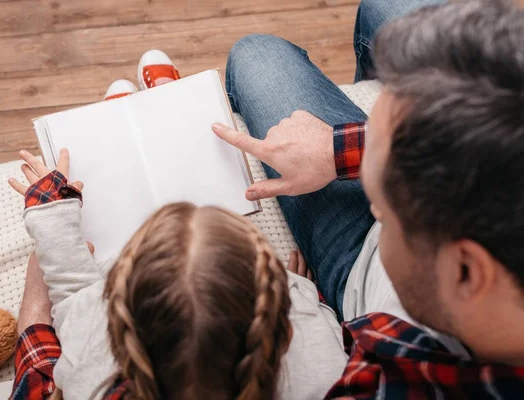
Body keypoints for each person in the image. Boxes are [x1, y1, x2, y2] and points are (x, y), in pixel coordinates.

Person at [212, 0, 524, 397]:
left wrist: (301, 303)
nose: (376, 208)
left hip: (362, 271)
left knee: (257, 54)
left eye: (387, 208)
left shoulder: (382, 386)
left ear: (464, 270)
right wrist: (342, 150)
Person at [8, 52, 350, 400]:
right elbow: (314, 317)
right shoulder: (323, 371)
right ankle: (167, 112)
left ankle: (132, 126)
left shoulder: (90, 369)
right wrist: (302, 293)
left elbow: (74, 295)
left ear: (114, 318)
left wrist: (50, 216)